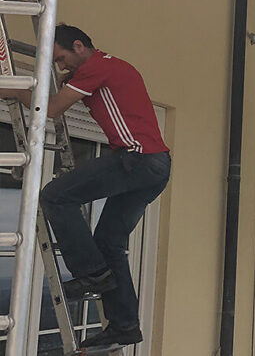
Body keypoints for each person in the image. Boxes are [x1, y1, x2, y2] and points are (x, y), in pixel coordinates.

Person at [0, 24, 171, 348]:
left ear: (79, 46)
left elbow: (49, 110)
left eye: (62, 58)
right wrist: (68, 83)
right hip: (154, 166)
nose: (61, 66)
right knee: (109, 242)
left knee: (55, 196)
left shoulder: (96, 68)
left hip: (137, 159)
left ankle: (91, 274)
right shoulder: (109, 67)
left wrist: (13, 91)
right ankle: (124, 326)